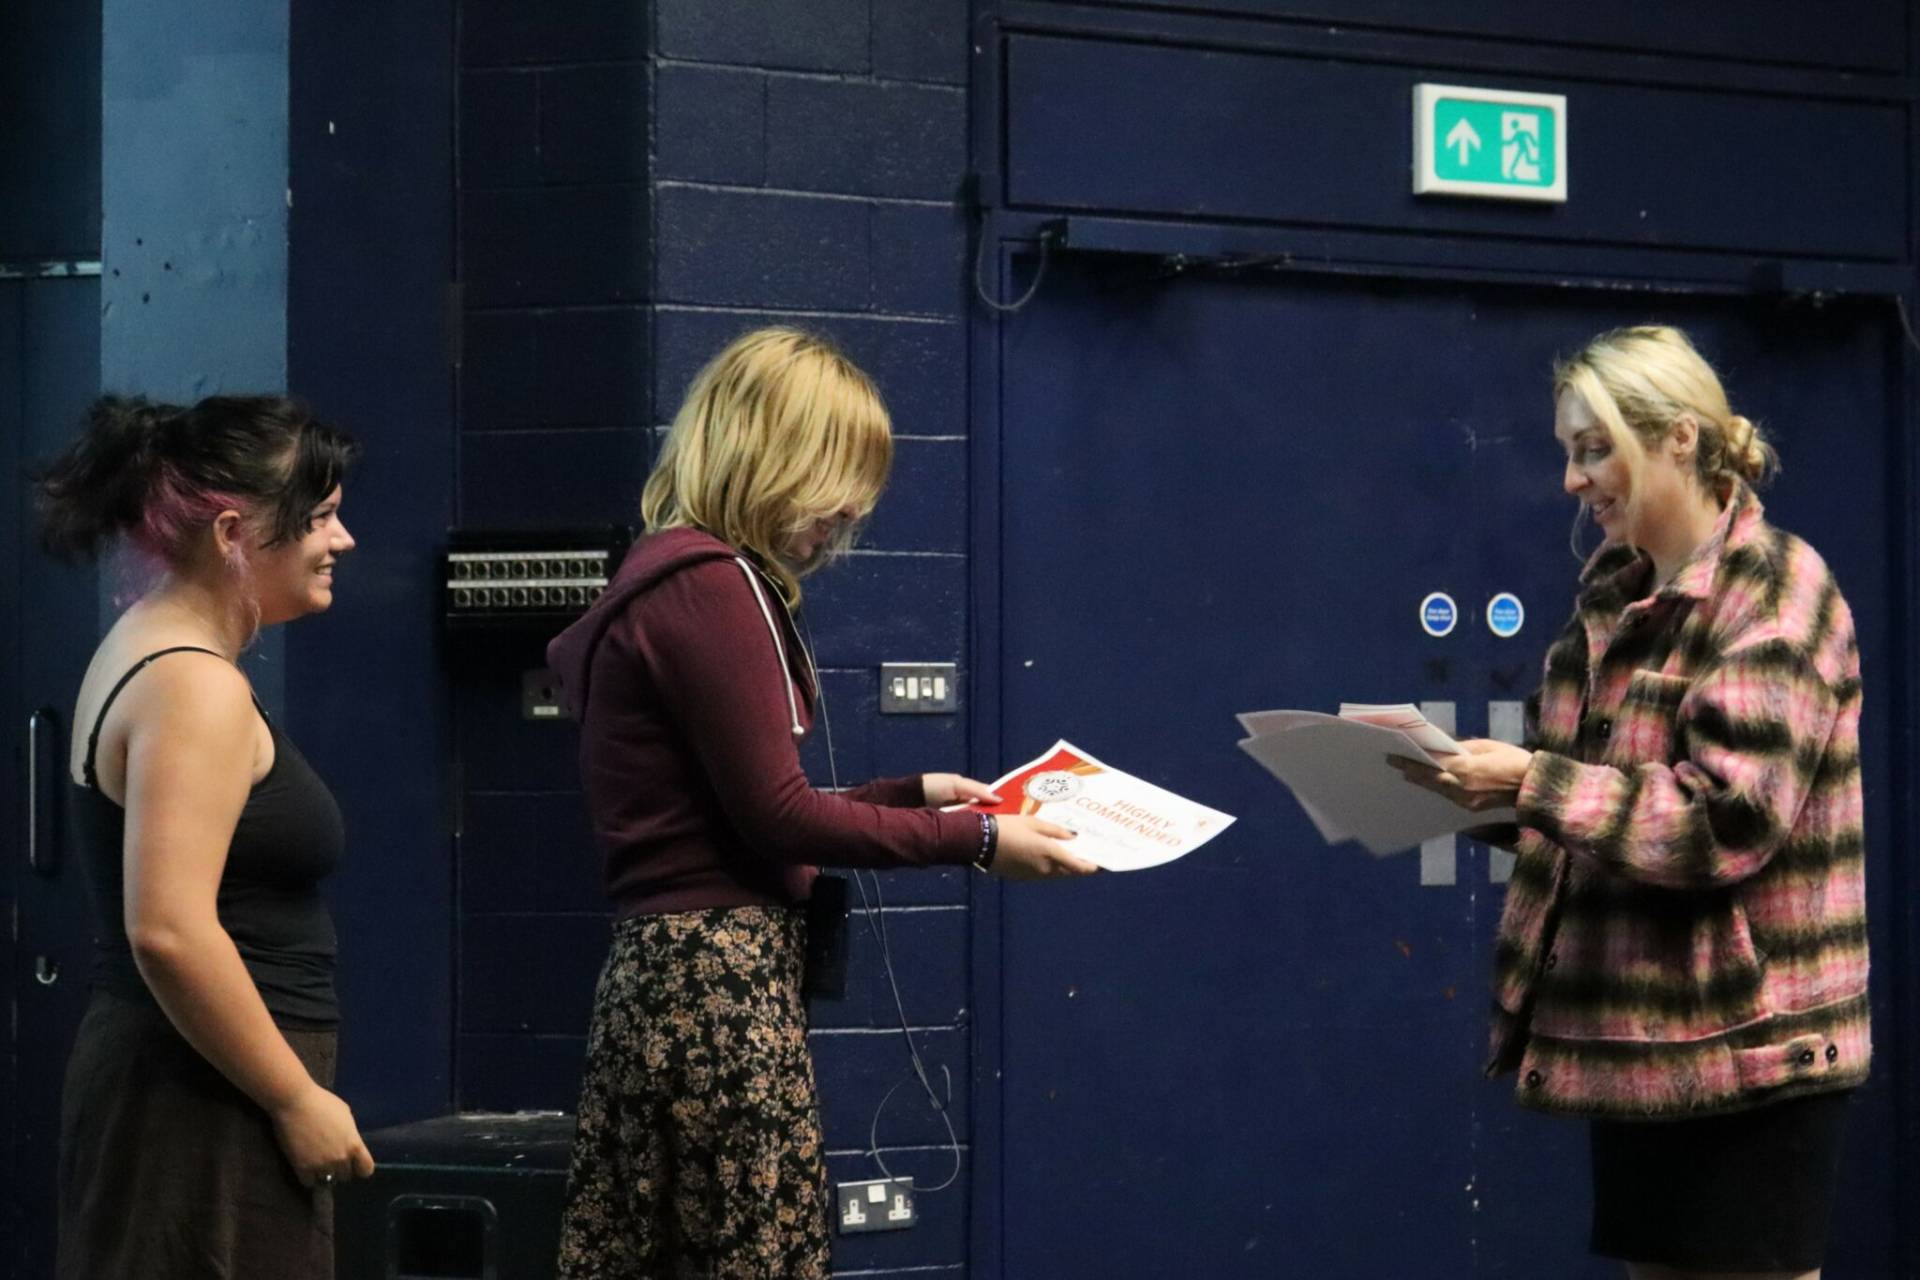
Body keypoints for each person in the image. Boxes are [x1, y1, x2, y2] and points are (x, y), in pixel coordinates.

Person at [546, 326, 1098, 1278]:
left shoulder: (666, 574)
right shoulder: (711, 584)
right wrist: (973, 839)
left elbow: (736, 808)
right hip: (716, 988)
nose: (850, 511)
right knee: (752, 1254)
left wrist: (913, 796)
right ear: (769, 455)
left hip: (673, 979)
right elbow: (778, 818)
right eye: (837, 477)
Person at [1403, 326, 1868, 1279]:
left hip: (1754, 1050)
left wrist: (1531, 782)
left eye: (1593, 448)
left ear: (1679, 439)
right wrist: (1459, 791)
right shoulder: (1613, 599)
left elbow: (1724, 822)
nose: (1573, 479)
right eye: (1568, 452)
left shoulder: (1776, 590)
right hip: (1644, 1045)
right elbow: (1595, 807)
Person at [37, 394, 374, 1279]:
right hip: (200, 1094)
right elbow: (169, 930)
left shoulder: (152, 645)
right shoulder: (193, 687)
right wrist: (294, 1097)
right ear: (233, 532)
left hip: (193, 1076)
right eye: (321, 519)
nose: (342, 541)